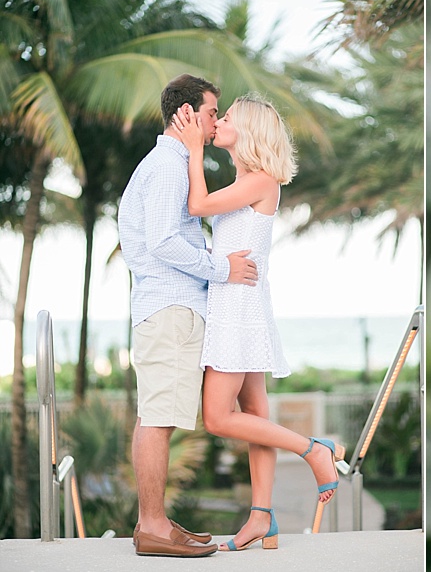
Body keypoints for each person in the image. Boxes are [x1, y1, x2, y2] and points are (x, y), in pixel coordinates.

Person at [171, 93, 345, 552]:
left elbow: (197, 206)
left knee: (216, 417)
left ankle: (312, 449)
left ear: (246, 131)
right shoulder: (247, 181)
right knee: (254, 415)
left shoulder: (261, 180)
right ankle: (262, 518)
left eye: (226, 117)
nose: (219, 122)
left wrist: (192, 149)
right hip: (238, 299)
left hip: (237, 308)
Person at [118, 74, 259, 558]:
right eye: (212, 113)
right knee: (158, 417)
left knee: (157, 414)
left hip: (168, 308)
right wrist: (222, 269)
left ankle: (154, 522)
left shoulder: (173, 164)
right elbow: (163, 240)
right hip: (171, 308)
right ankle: (153, 527)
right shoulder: (169, 167)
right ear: (187, 115)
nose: (216, 122)